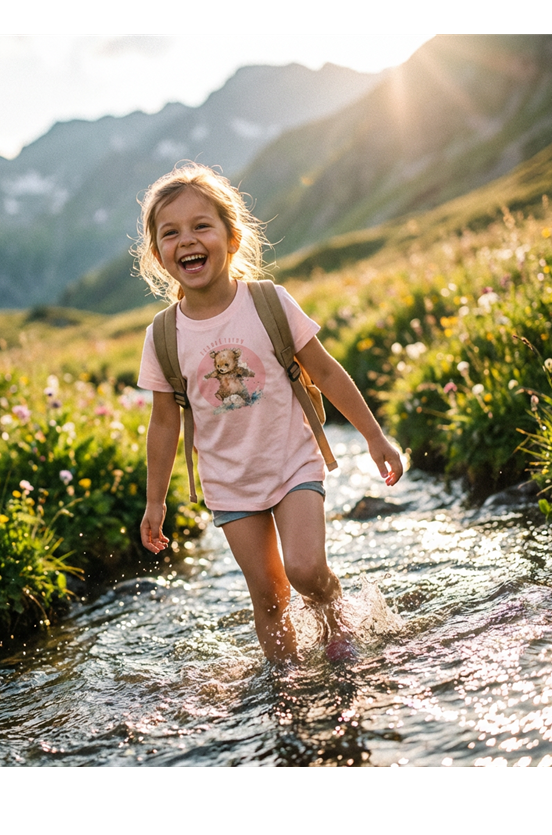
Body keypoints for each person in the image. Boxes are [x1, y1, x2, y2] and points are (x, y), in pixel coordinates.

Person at [135, 163, 403, 663]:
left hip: (292, 462)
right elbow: (164, 423)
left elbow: (324, 371)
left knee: (304, 570)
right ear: (159, 255)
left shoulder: (268, 302)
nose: (187, 240)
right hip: (229, 483)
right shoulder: (163, 335)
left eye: (201, 226)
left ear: (231, 238)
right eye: (171, 233)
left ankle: (333, 620)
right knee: (270, 597)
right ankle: (286, 680)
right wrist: (156, 503)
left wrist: (373, 436)